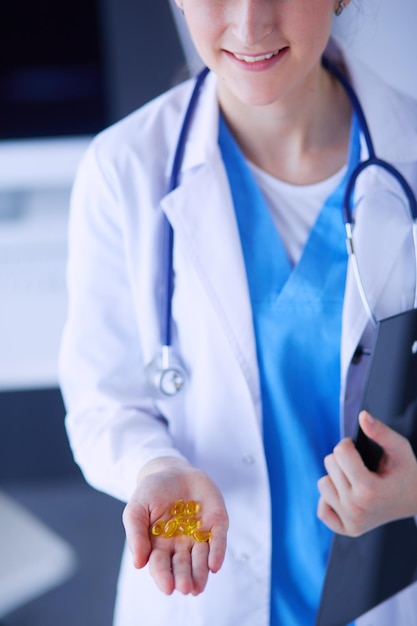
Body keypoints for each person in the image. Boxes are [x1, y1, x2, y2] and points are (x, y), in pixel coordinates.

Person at [59, 0, 417, 624]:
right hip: (200, 600)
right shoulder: (124, 169)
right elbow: (102, 404)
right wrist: (155, 467)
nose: (251, 26)